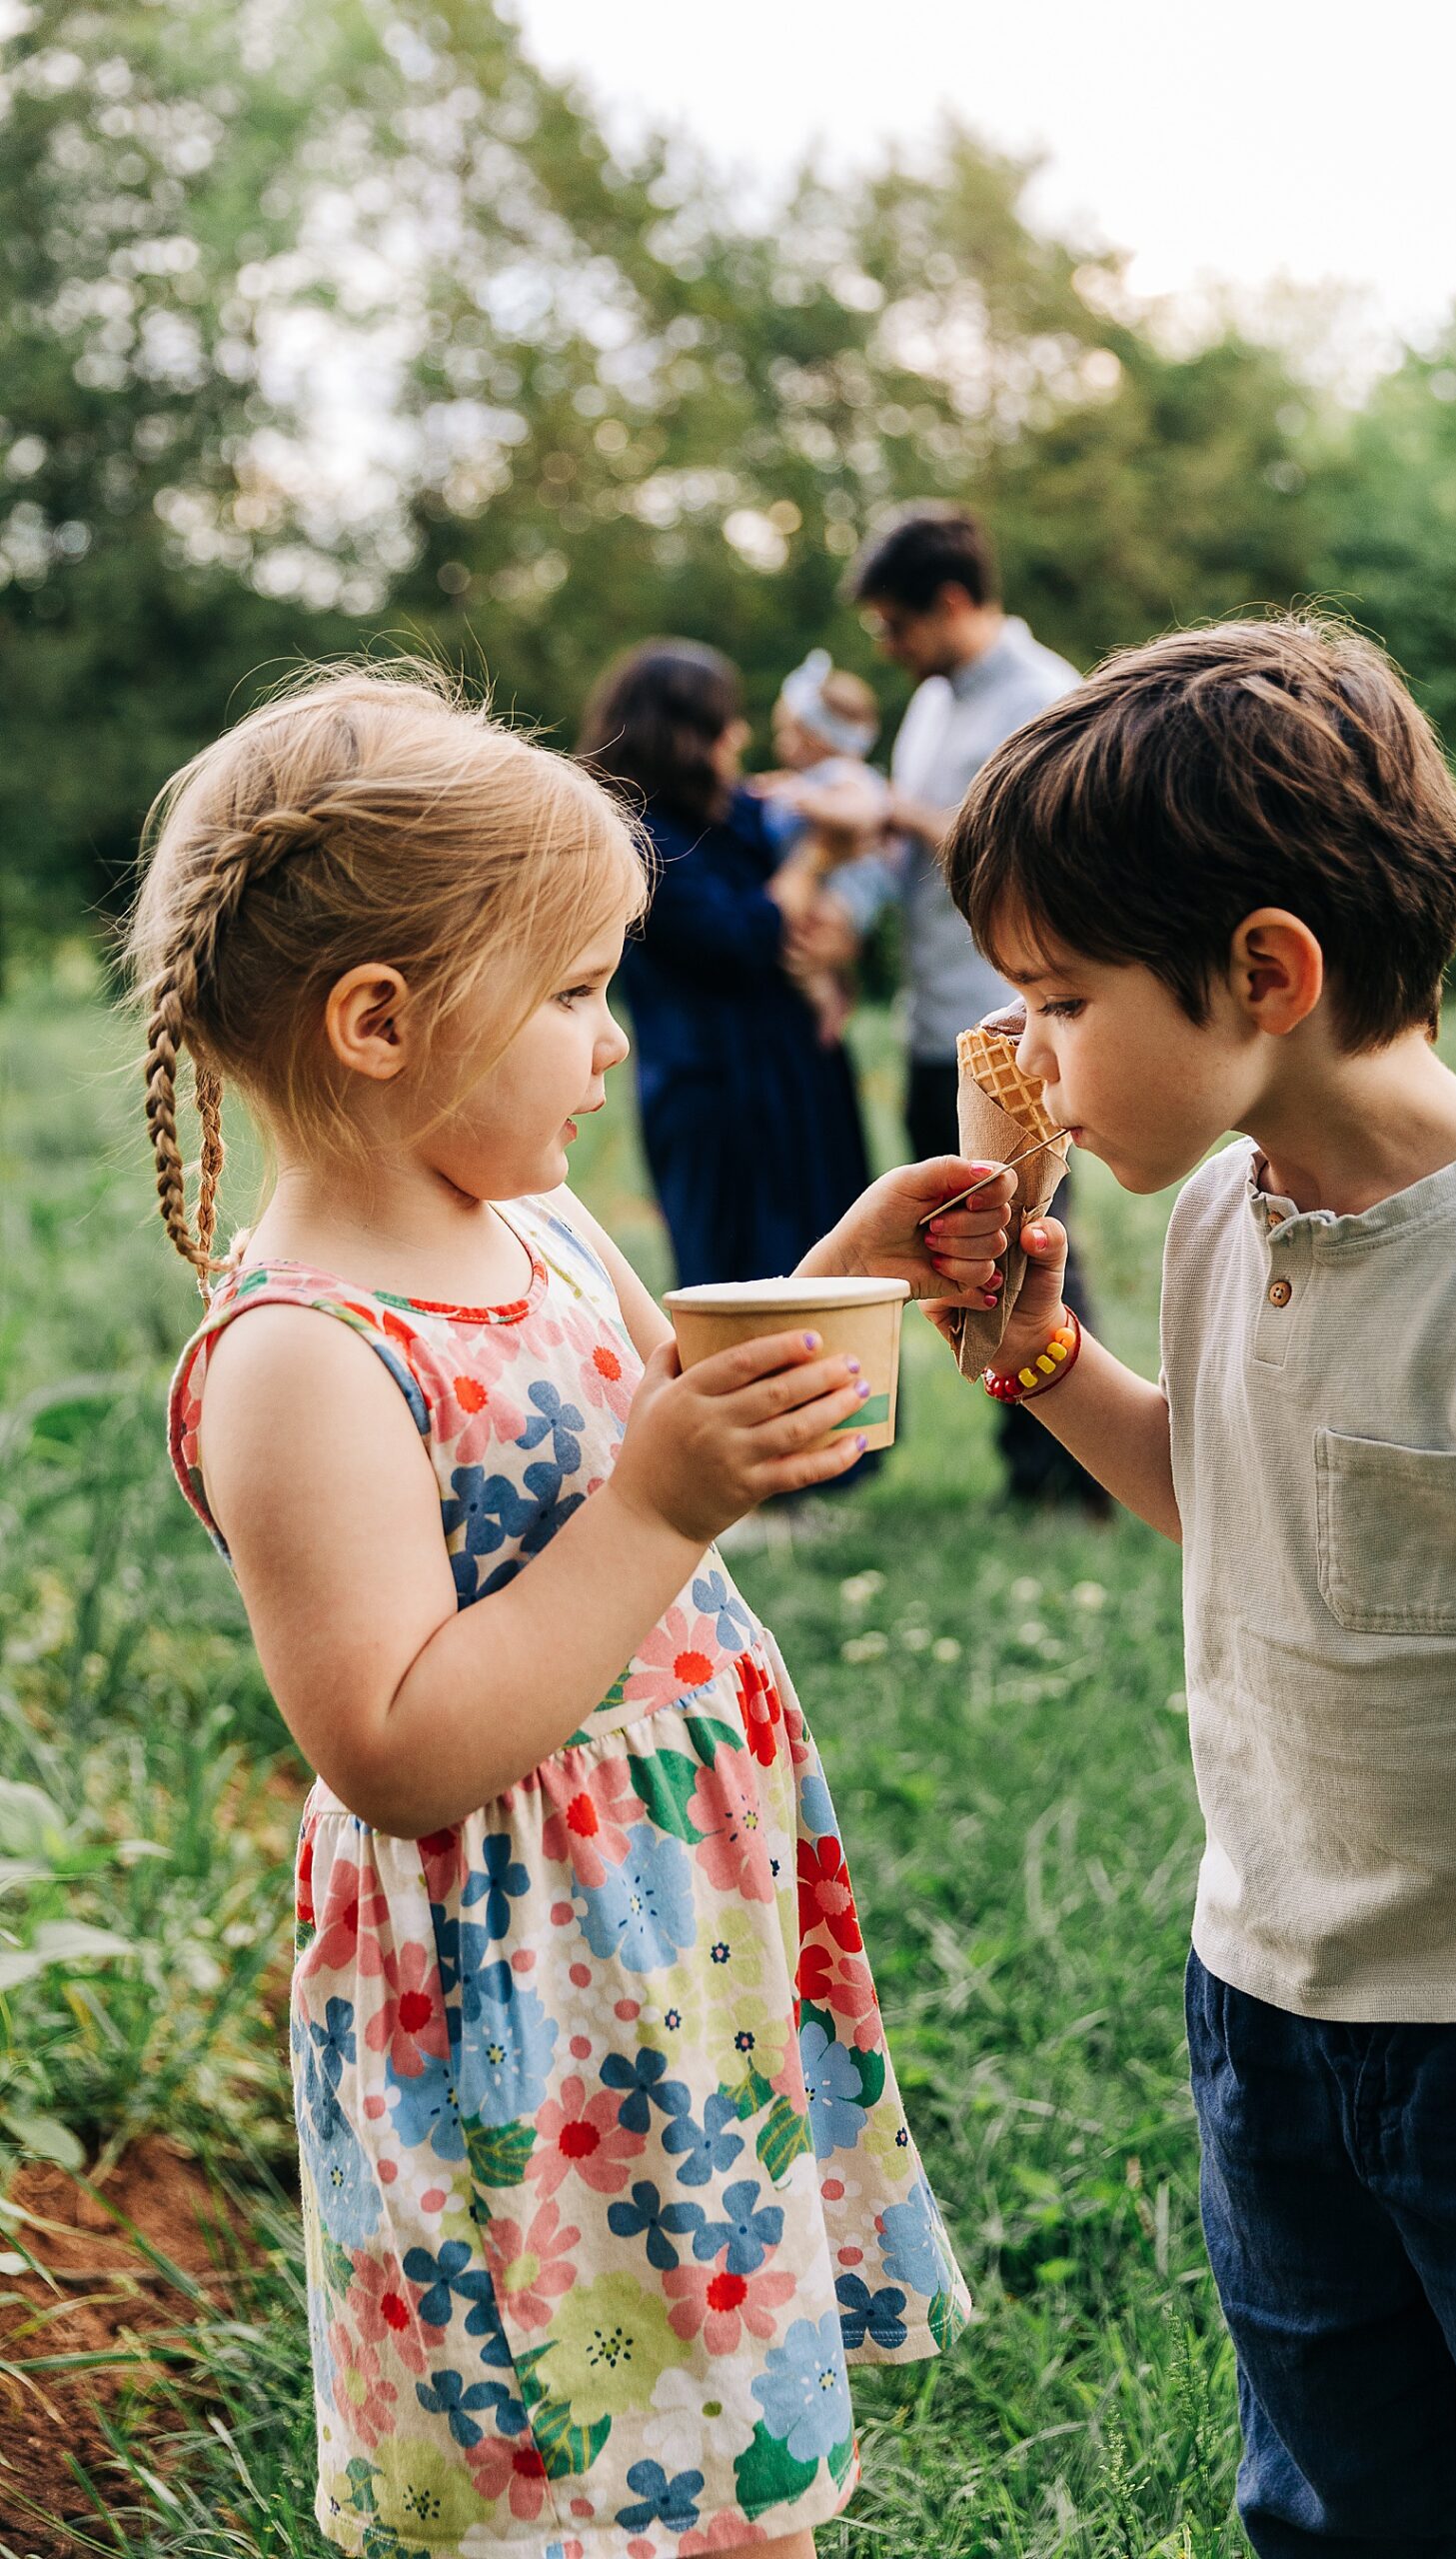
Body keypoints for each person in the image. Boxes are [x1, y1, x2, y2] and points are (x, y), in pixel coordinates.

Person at [129, 660, 1013, 2556]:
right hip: (516, 1990)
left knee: (714, 2389)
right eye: (573, 992)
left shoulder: (530, 1221)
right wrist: (661, 1501)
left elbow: (646, 1393)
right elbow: (399, 1747)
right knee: (555, 2460)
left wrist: (833, 1284)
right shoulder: (304, 1359)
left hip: (668, 1938)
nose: (608, 1043)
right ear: (381, 1020)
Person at [931, 616, 1456, 2555]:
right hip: (1267, 2000)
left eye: (1057, 995)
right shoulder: (1219, 1203)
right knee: (1342, 2501)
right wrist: (1040, 1363)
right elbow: (1234, 1499)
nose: (1017, 1054)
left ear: (1264, 970)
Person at [827, 501, 1102, 1509]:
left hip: (1013, 1027)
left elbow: (1047, 861)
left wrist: (894, 812)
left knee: (1032, 1248)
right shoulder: (937, 702)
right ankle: (1022, 1459)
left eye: (896, 625)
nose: (889, 648)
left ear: (949, 601)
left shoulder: (1049, 699)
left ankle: (1068, 1478)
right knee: (966, 1261)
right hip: (932, 1013)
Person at [580, 640, 872, 1291]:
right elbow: (739, 935)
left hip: (798, 1079)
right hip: (716, 1098)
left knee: (840, 1274)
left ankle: (860, 1400)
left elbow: (820, 895)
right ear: (682, 732)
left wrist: (836, 946)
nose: (738, 734)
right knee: (743, 1282)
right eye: (722, 720)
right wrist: (816, 859)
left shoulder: (733, 812)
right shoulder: (636, 838)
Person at [748, 650, 888, 1050]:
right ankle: (833, 991)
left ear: (816, 737)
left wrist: (807, 801)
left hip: (848, 887)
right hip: (829, 881)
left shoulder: (847, 776)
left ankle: (828, 1002)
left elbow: (864, 812)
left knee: (803, 942)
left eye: (788, 732)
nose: (780, 743)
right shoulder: (810, 779)